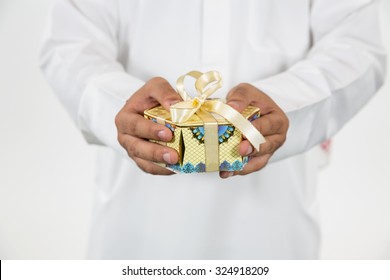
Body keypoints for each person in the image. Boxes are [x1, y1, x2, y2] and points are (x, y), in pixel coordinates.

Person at [39, 0, 386, 259]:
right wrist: (120, 106)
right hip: (135, 221)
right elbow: (69, 44)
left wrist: (288, 102)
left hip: (277, 221)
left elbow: (356, 43)